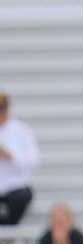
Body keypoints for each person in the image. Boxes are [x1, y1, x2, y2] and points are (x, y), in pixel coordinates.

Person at [0, 93, 40, 225]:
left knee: (21, 198)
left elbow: (33, 160)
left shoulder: (21, 130)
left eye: (2, 109)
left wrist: (11, 156)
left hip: (15, 186)